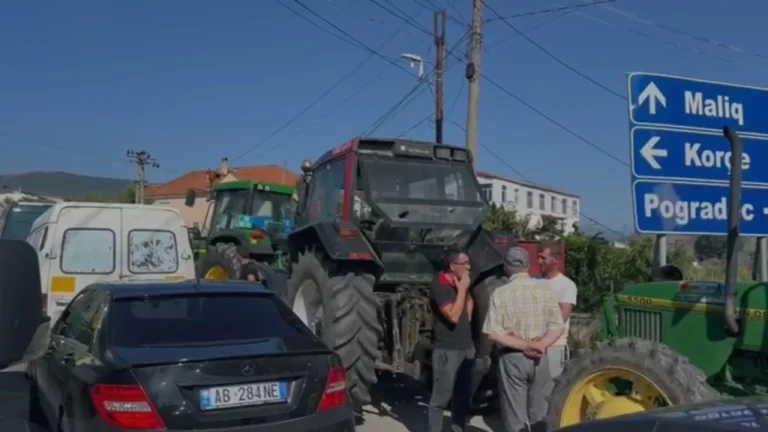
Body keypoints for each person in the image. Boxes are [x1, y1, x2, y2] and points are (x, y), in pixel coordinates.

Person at [483, 247, 564, 432]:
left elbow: (494, 333)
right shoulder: (545, 290)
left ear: (506, 267)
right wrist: (540, 344)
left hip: (512, 357)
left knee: (515, 417)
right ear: (528, 266)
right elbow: (557, 325)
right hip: (541, 356)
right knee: (540, 414)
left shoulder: (500, 293)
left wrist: (526, 344)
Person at [428, 249, 475, 432]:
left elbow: (468, 302)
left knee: (462, 396)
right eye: (465, 264)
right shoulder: (439, 285)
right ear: (453, 266)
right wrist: (462, 289)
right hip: (447, 349)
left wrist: (468, 320)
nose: (469, 267)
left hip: (467, 346)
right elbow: (453, 316)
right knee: (441, 398)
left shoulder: (460, 283)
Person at [537, 241, 578, 378]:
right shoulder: (532, 282)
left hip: (554, 347)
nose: (539, 261)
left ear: (555, 259)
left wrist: (543, 341)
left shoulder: (566, 285)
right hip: (531, 346)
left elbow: (562, 317)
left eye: (543, 258)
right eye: (538, 257)